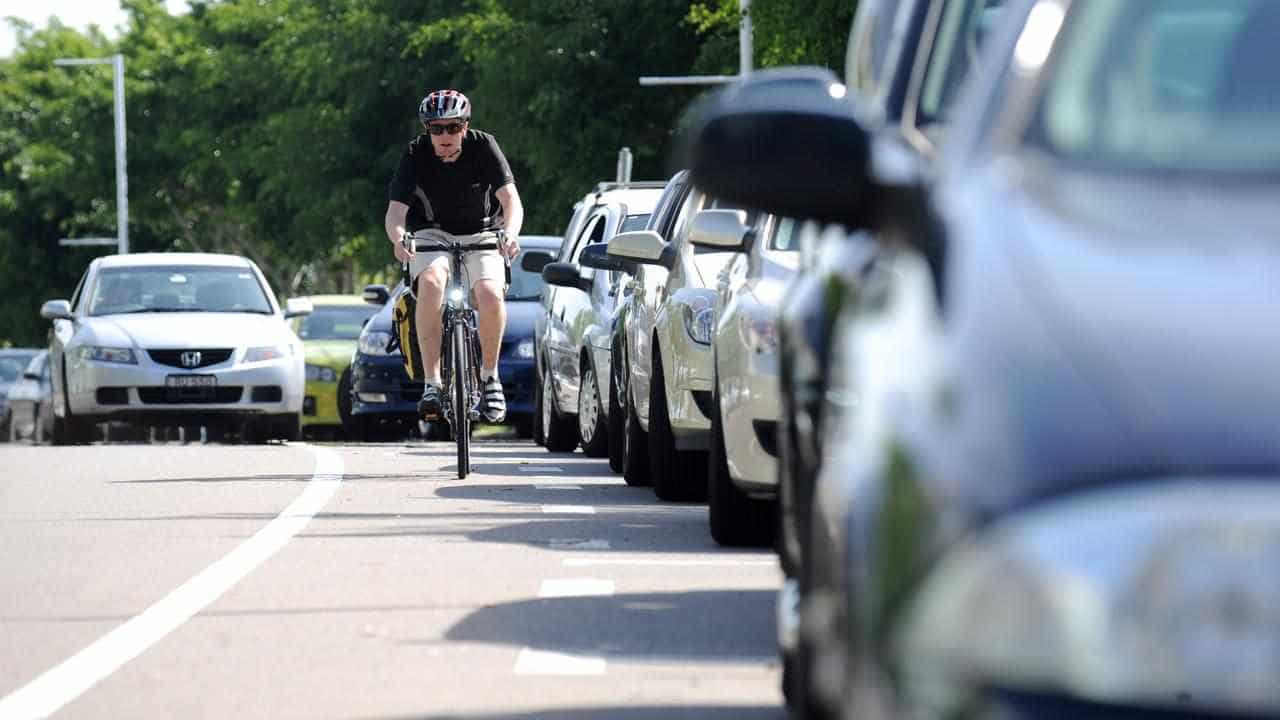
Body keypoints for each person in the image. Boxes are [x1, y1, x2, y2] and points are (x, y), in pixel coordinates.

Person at [385, 89, 524, 424]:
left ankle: (490, 378)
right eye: (436, 128)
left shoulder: (484, 146)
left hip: (482, 232)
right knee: (431, 284)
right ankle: (432, 385)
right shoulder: (415, 153)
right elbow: (395, 213)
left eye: (453, 127)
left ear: (466, 126)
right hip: (431, 233)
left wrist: (511, 233)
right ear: (427, 130)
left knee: (490, 294)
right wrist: (399, 237)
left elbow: (511, 201)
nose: (445, 136)